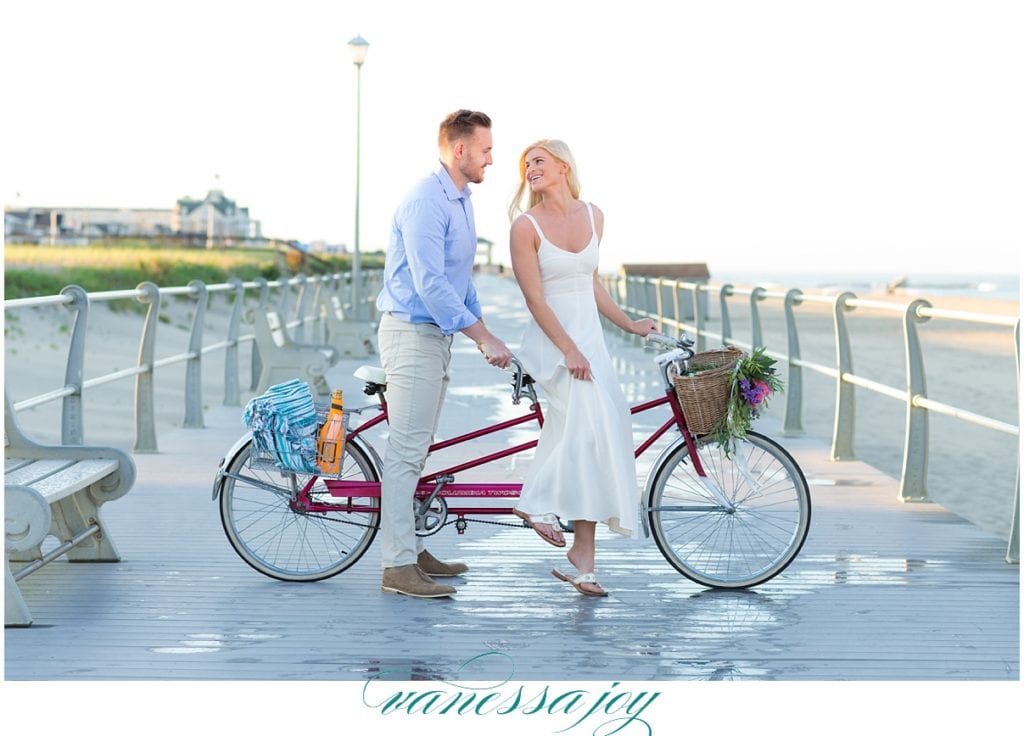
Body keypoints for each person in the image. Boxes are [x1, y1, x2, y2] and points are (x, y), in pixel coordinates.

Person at [375, 109, 513, 598]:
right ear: (460, 150)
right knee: (406, 452)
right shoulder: (425, 202)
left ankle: (409, 548)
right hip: (412, 335)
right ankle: (397, 566)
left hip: (434, 337)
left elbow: (460, 280)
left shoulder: (459, 199)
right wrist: (481, 338)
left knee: (417, 448)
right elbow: (430, 283)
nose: (491, 160)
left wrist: (488, 333)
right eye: (486, 150)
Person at [508, 139, 656, 597]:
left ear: (563, 166)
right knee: (587, 429)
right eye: (526, 164)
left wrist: (629, 324)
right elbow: (535, 299)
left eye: (538, 161)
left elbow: (590, 282)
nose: (530, 169)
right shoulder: (525, 226)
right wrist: (568, 350)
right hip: (553, 343)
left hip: (589, 342)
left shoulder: (594, 215)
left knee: (597, 435)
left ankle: (584, 563)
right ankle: (534, 503)